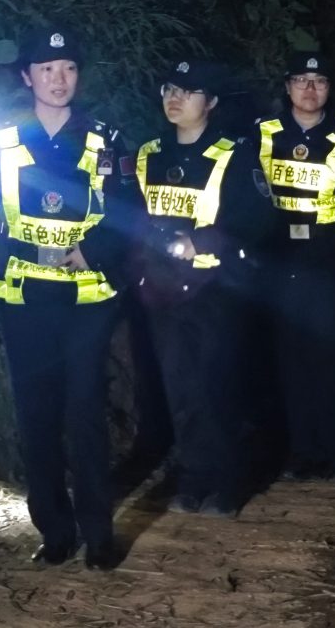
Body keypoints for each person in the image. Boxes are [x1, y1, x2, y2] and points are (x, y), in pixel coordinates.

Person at [0, 27, 134, 570]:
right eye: (47, 69)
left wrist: (93, 251)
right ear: (28, 77)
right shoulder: (1, 138)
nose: (58, 78)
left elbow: (127, 210)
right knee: (36, 416)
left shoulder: (104, 138)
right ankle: (54, 531)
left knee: (86, 414)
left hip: (85, 299)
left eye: (68, 68)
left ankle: (99, 535)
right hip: (23, 295)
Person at [134, 59, 272, 516]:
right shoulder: (149, 154)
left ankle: (228, 484)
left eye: (189, 92)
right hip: (163, 291)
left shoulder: (236, 154)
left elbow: (259, 218)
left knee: (219, 386)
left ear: (210, 102)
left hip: (218, 290)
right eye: (169, 88)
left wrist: (203, 241)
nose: (175, 98)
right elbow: (131, 216)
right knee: (181, 390)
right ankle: (193, 480)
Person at [258, 50, 335, 481]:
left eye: (320, 82)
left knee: (329, 362)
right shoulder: (262, 134)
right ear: (287, 86)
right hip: (279, 263)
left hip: (329, 262)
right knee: (288, 364)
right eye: (301, 81)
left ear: (329, 89)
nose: (310, 89)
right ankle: (300, 454)